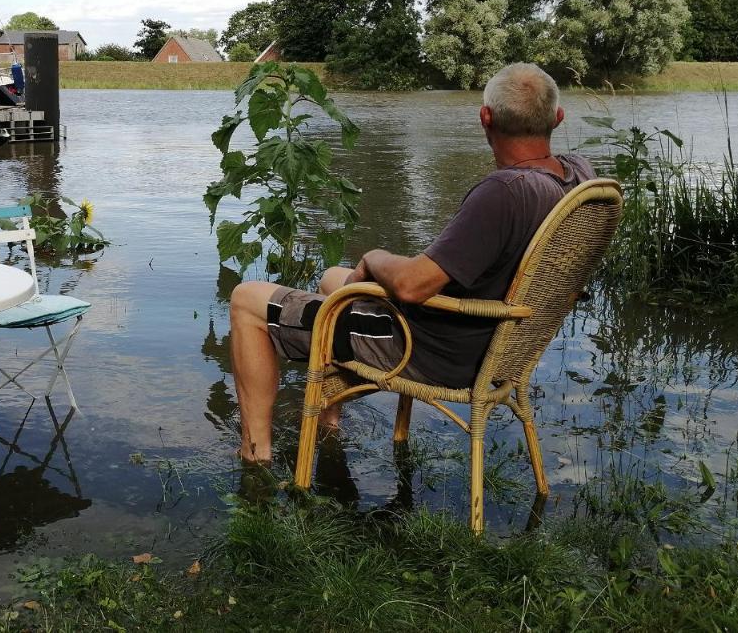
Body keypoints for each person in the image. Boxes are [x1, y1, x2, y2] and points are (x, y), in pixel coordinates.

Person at [229, 63, 595, 463]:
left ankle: (255, 455)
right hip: (498, 342)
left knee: (248, 299)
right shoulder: (578, 175)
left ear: (485, 118)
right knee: (334, 277)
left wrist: (375, 257)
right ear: (558, 118)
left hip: (430, 351)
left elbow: (411, 287)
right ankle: (328, 422)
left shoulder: (506, 192)